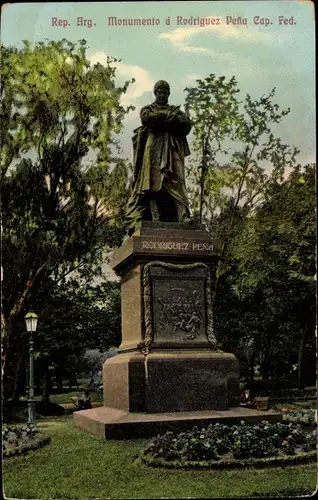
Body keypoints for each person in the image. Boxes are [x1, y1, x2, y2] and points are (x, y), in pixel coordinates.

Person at [126, 80, 192, 232]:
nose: (162, 95)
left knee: (178, 180)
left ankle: (183, 215)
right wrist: (169, 117)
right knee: (152, 184)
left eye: (165, 92)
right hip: (153, 150)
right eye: (159, 92)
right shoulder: (148, 109)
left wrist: (165, 119)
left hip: (173, 148)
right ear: (155, 93)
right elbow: (147, 118)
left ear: (168, 94)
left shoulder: (176, 112)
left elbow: (185, 125)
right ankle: (150, 217)